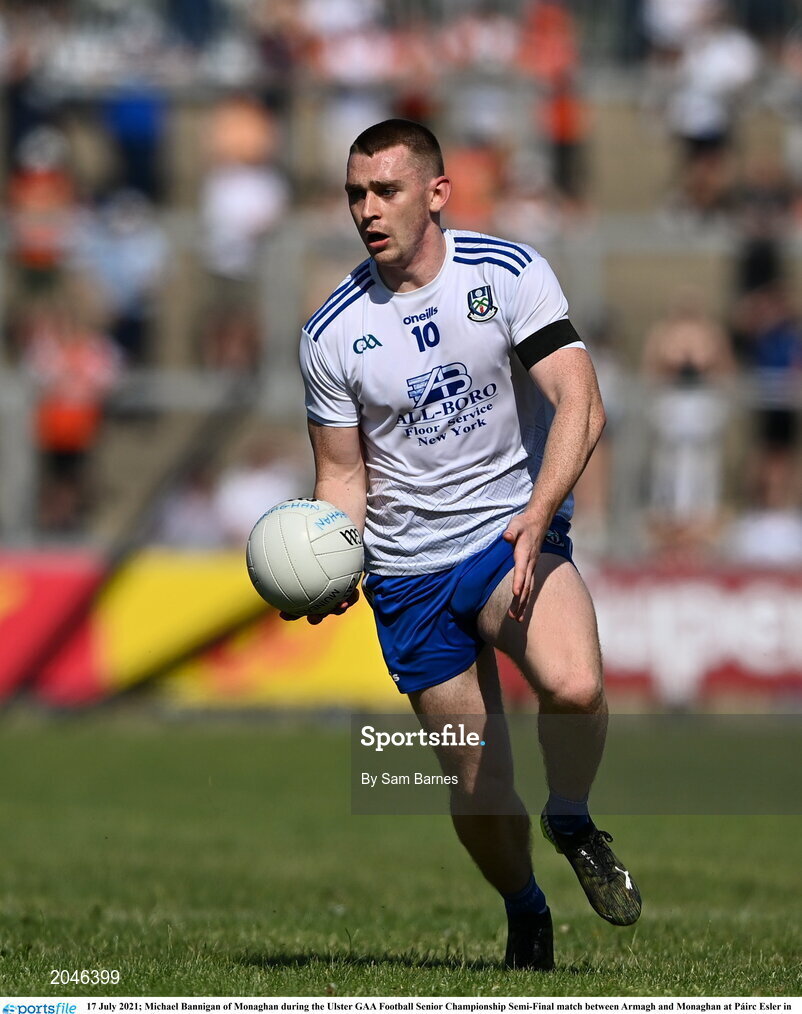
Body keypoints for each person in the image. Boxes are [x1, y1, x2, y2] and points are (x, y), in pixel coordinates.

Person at [284, 119, 641, 971]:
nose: (367, 210)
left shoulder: (506, 274)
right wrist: (332, 560)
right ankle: (526, 910)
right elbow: (341, 478)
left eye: (387, 191)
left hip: (505, 530)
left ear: (437, 193)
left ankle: (572, 816)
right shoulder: (330, 334)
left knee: (575, 680)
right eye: (355, 195)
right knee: (476, 781)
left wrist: (537, 512)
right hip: (408, 573)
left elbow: (579, 402)